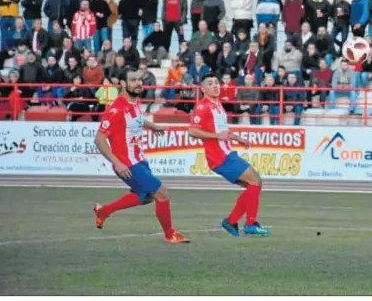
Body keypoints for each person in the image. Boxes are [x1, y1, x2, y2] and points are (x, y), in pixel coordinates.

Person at [93, 68, 189, 244]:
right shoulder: (116, 109)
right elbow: (99, 140)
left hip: (139, 159)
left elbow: (137, 120)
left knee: (145, 197)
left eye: (139, 79)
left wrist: (153, 126)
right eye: (133, 80)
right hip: (127, 163)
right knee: (161, 193)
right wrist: (117, 163)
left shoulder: (134, 102)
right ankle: (170, 234)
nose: (138, 83)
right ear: (122, 84)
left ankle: (104, 211)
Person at [188, 74, 270, 237]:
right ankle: (249, 223)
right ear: (203, 89)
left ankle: (233, 221)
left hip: (226, 153)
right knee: (256, 181)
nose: (215, 86)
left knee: (252, 186)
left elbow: (223, 131)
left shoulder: (218, 105)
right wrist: (217, 137)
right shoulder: (202, 107)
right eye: (210, 84)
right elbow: (192, 131)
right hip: (219, 156)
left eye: (216, 82)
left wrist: (237, 138)